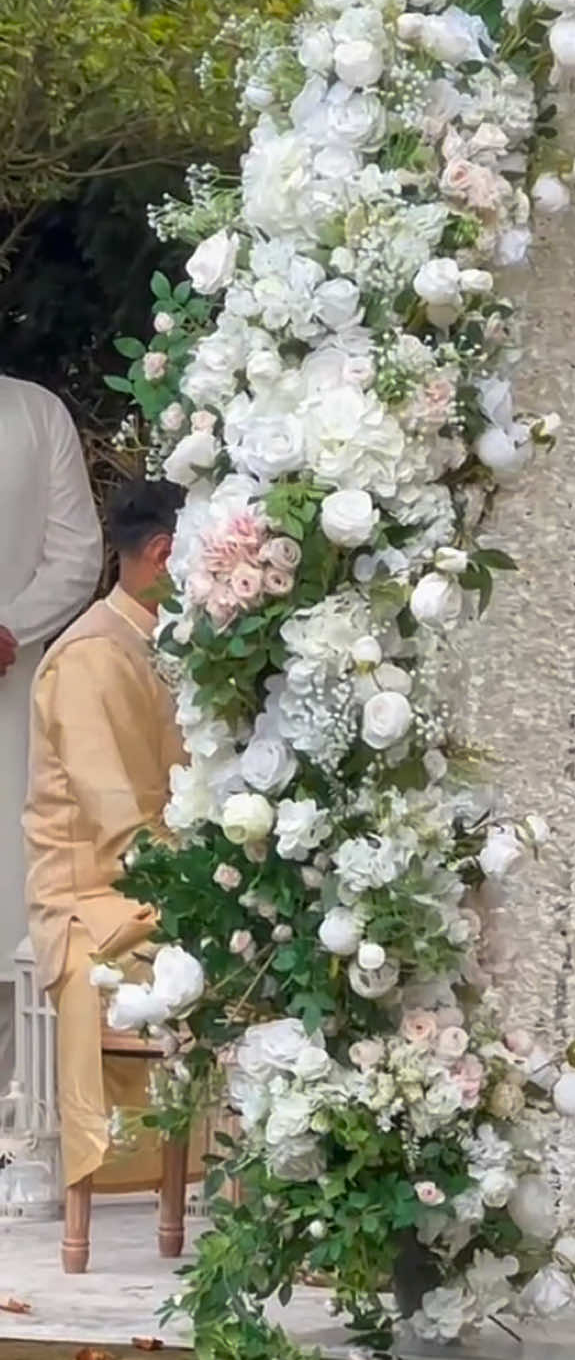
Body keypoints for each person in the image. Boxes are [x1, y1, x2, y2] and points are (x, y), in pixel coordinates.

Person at [23, 477, 186, 1215]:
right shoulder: (90, 654)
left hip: (155, 882)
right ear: (165, 552)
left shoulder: (157, 643)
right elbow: (120, 826)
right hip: (96, 903)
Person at [0, 375, 103, 1071]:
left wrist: (10, 628)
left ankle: (14, 1145)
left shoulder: (36, 412)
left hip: (10, 701)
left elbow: (77, 554)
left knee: (12, 924)